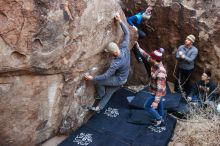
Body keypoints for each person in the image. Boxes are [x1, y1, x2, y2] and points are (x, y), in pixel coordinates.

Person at [84, 13, 130, 112]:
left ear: (113, 53)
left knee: (99, 82)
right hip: (124, 77)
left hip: (119, 79)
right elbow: (127, 33)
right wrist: (120, 20)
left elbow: (105, 76)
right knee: (109, 92)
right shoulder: (125, 48)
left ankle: (100, 95)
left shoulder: (116, 63)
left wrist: (93, 78)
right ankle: (98, 108)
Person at [135, 42, 167, 126]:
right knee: (160, 105)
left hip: (157, 92)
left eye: (151, 58)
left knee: (147, 106)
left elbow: (160, 88)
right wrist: (138, 48)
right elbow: (146, 56)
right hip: (156, 90)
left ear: (155, 59)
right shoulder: (155, 61)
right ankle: (161, 117)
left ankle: (159, 119)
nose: (150, 58)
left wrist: (155, 102)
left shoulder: (161, 72)